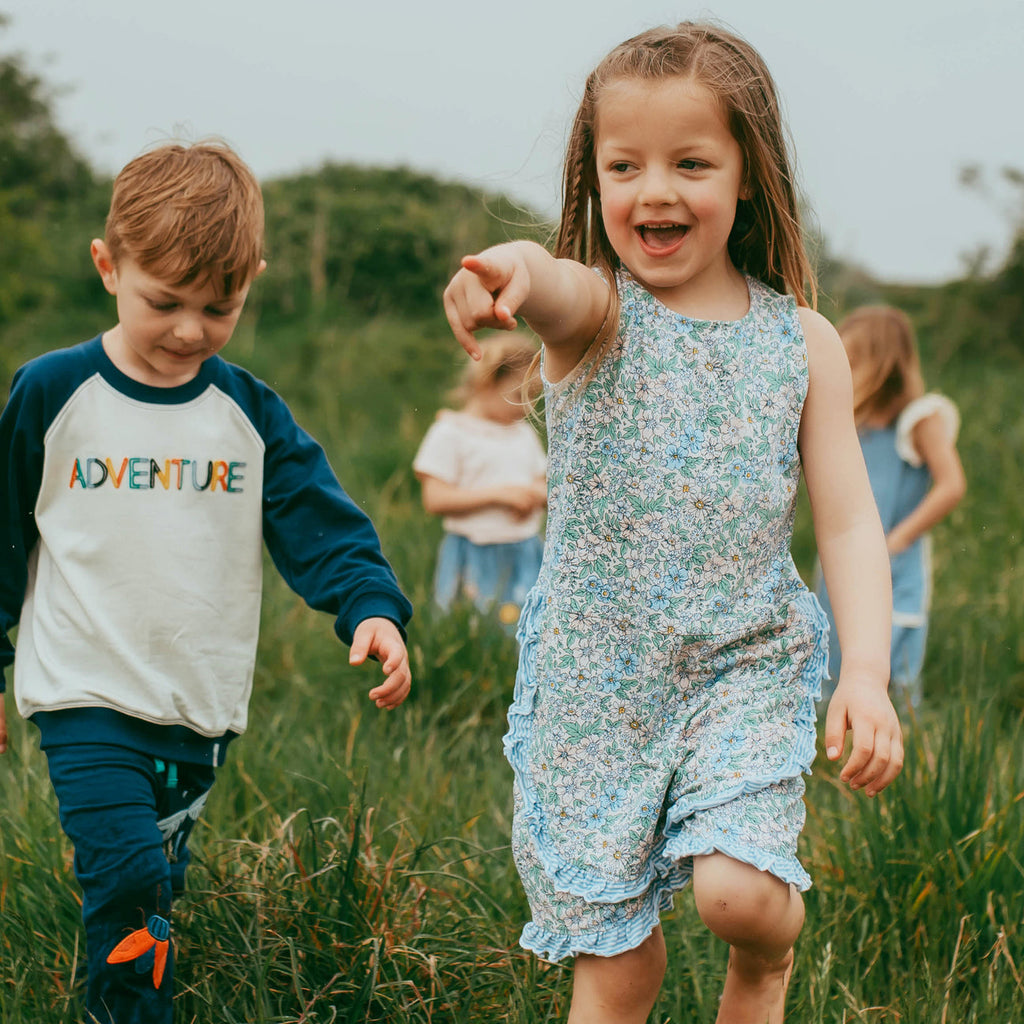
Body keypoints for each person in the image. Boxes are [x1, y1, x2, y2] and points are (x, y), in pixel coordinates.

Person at [442, 22, 903, 1024]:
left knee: (736, 895)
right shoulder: (595, 313)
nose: (654, 190)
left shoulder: (803, 344)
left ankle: (765, 966)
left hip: (741, 662)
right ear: (594, 175)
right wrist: (513, 271)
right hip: (593, 680)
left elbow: (850, 525)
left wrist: (862, 671)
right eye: (624, 165)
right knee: (616, 970)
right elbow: (554, 283)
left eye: (690, 162)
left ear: (748, 174)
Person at [0, 141, 413, 1024]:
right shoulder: (52, 394)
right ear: (110, 267)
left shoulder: (248, 414)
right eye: (165, 302)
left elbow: (318, 520)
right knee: (129, 871)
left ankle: (126, 994)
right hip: (85, 692)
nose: (190, 329)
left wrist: (369, 608)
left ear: (252, 282)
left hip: (199, 704)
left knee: (153, 894)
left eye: (219, 307)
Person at [816, 305, 966, 710]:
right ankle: (835, 758)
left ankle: (901, 754)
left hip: (894, 563)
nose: (842, 369)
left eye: (852, 361)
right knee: (833, 649)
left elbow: (951, 485)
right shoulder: (849, 417)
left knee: (892, 662)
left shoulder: (917, 419)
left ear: (882, 365)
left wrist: (899, 538)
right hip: (841, 561)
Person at [413, 334, 546, 628]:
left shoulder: (521, 432)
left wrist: (534, 495)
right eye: (520, 393)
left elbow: (542, 482)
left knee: (526, 627)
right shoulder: (452, 432)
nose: (528, 405)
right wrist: (500, 496)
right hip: (475, 552)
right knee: (476, 627)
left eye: (534, 394)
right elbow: (435, 499)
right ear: (487, 383)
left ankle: (515, 673)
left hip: (524, 550)